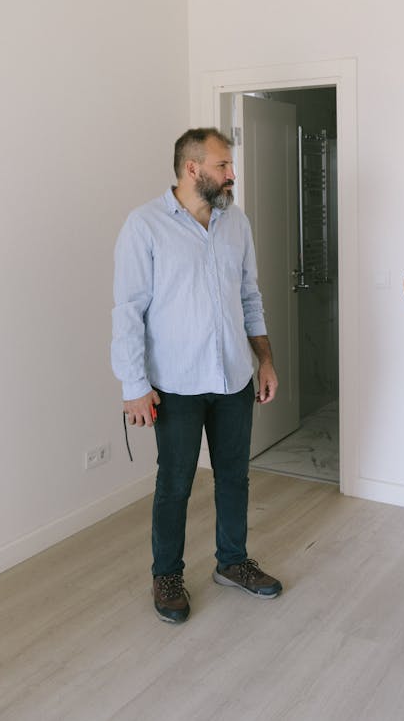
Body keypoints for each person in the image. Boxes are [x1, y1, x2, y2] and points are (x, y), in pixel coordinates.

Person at [111, 127, 282, 624]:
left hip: (233, 377)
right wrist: (134, 386)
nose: (232, 174)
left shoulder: (236, 223)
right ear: (193, 169)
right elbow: (128, 312)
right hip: (175, 384)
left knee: (234, 477)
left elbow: (250, 296)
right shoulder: (144, 226)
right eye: (223, 165)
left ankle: (232, 562)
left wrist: (265, 360)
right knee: (175, 484)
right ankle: (167, 574)